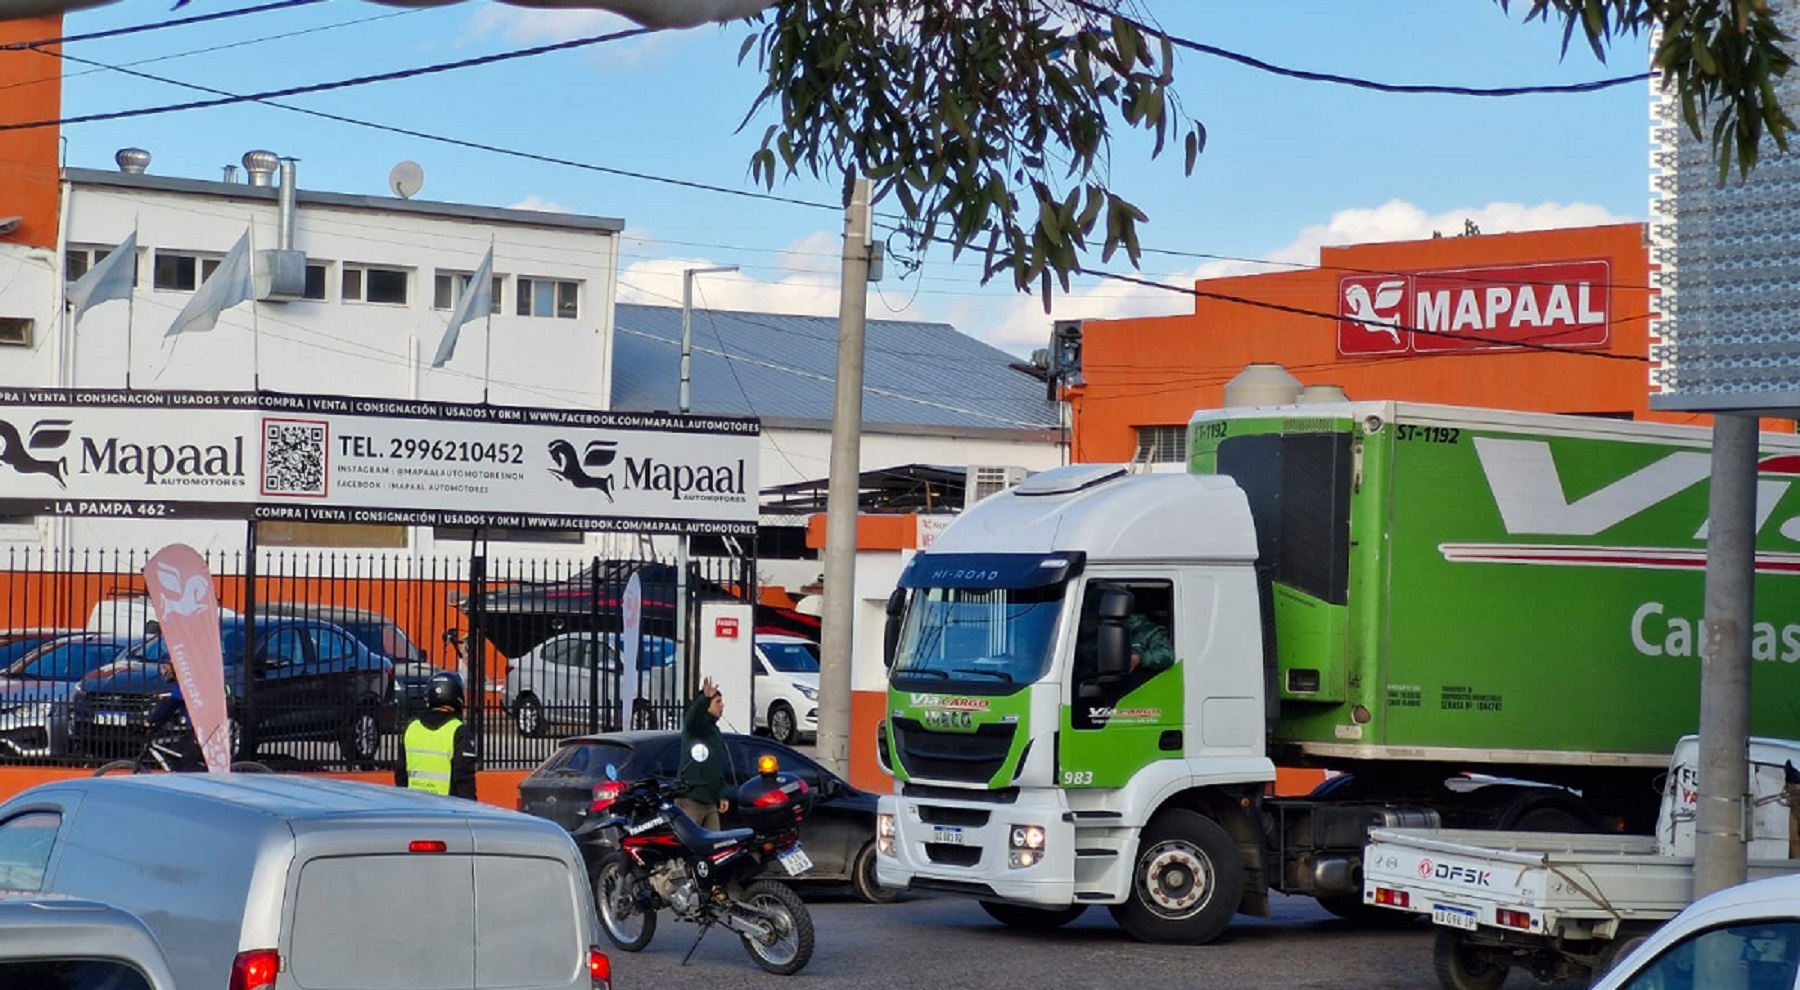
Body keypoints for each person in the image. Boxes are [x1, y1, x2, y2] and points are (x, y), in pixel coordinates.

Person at [395, 671, 478, 799]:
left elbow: (401, 775)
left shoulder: (411, 727)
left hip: (414, 806)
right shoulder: (458, 731)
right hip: (447, 811)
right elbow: (464, 780)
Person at [676, 676, 730, 829]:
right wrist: (704, 699)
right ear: (707, 706)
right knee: (690, 846)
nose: (722, 706)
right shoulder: (696, 728)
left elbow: (716, 766)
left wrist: (721, 794)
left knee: (715, 845)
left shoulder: (715, 731)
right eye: (717, 702)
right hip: (691, 799)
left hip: (710, 802)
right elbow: (692, 718)